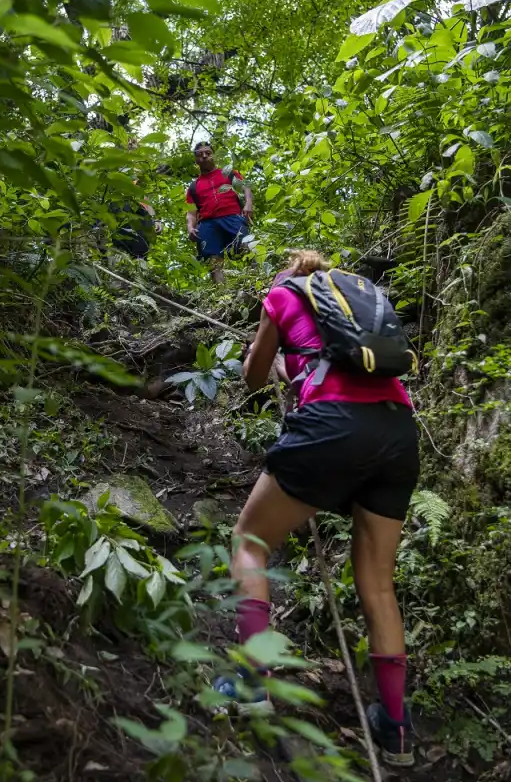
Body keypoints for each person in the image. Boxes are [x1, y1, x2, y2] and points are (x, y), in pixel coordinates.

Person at [212, 250, 420, 769]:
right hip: (397, 429)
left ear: (286, 273)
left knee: (250, 543)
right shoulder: (359, 301)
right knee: (377, 583)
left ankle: (252, 686)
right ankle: (396, 730)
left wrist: (273, 357)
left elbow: (254, 378)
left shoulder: (281, 294)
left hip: (332, 423)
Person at [186, 141, 254, 284]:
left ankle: (259, 284)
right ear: (196, 160)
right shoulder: (193, 186)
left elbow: (246, 186)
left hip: (233, 217)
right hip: (208, 223)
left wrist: (248, 204)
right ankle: (222, 296)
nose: (204, 156)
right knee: (213, 260)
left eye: (208, 153)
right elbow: (191, 212)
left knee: (248, 247)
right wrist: (190, 228)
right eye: (200, 154)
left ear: (214, 155)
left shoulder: (229, 173)